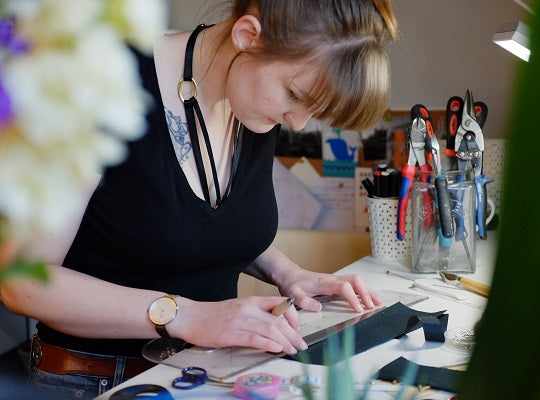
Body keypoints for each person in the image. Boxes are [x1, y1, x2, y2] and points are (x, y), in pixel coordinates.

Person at [0, 0, 398, 398]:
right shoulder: (98, 84)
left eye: (314, 109)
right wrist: (185, 315)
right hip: (96, 380)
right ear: (247, 36)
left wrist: (287, 273)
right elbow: (20, 282)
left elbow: (194, 223)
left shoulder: (251, 103)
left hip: (203, 372)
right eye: (295, 95)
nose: (299, 122)